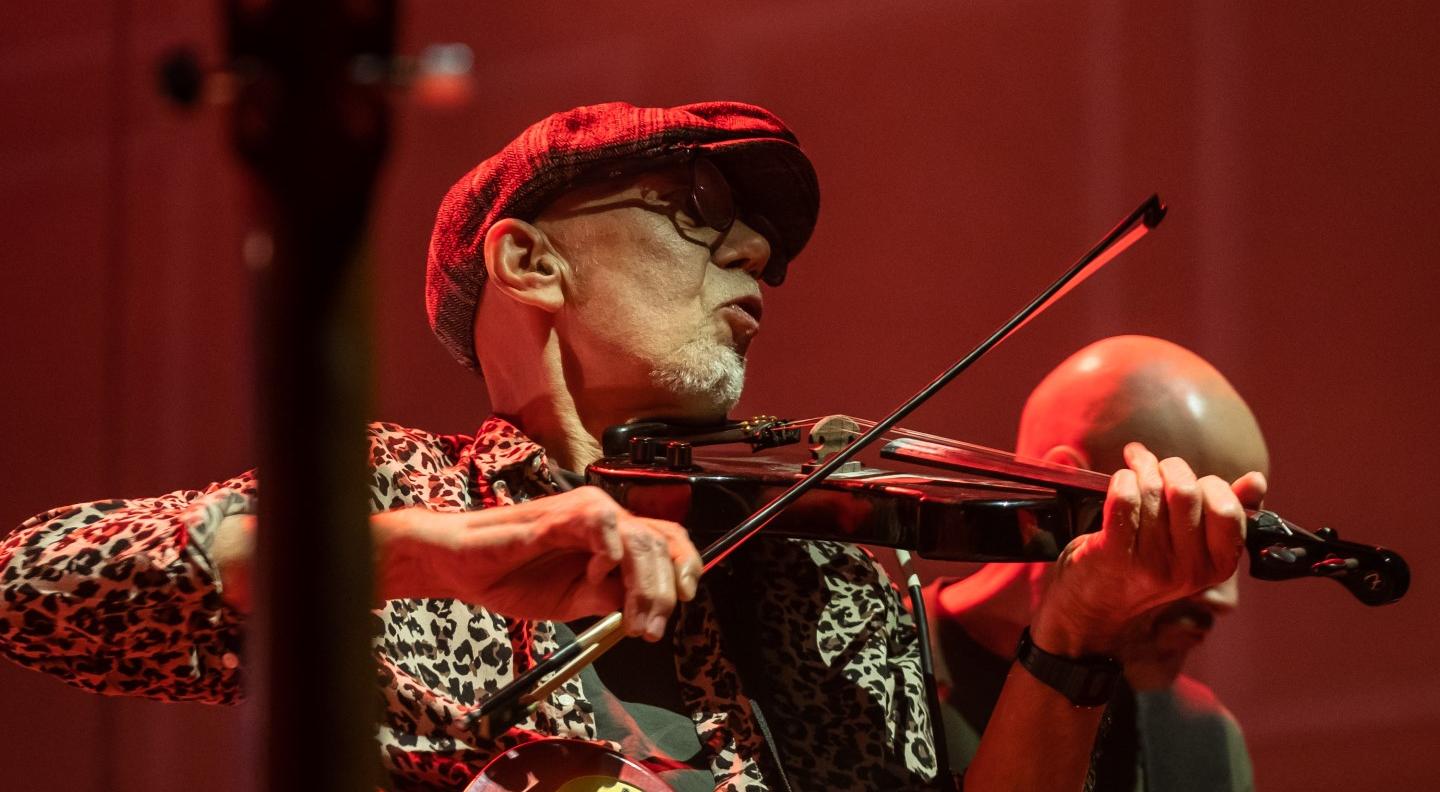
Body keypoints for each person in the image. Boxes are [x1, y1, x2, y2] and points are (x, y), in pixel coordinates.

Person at [0, 102, 1263, 791]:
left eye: (758, 239)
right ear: (528, 259)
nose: (758, 258)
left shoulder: (831, 581)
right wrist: (446, 557)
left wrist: (1076, 629)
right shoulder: (396, 492)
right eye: (699, 214)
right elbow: (38, 590)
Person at [927, 335, 1269, 791]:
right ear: (1069, 490)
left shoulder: (1201, 738)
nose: (1225, 595)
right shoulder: (862, 672)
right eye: (1182, 523)